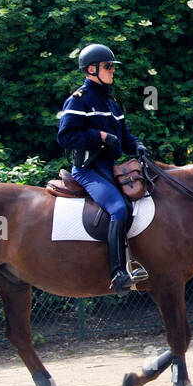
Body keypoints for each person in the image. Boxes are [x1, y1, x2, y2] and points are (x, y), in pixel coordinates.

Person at [57, 44, 150, 295]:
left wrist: (137, 145)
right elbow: (66, 136)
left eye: (112, 67)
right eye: (108, 67)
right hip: (88, 169)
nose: (112, 71)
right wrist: (98, 135)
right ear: (91, 69)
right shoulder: (79, 100)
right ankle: (118, 273)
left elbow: (123, 135)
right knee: (118, 208)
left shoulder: (111, 101)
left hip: (110, 167)